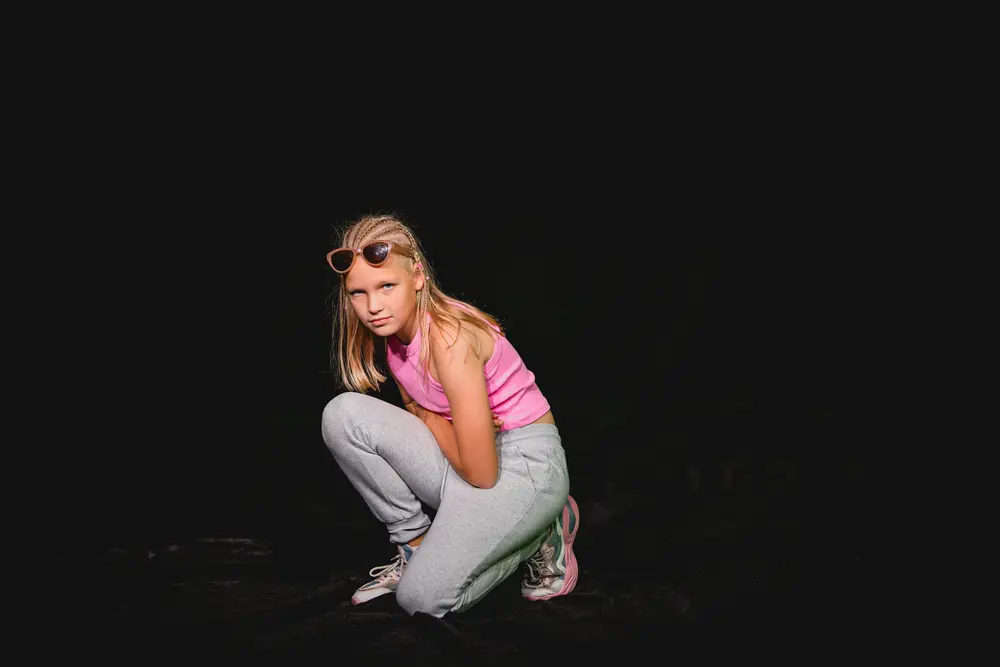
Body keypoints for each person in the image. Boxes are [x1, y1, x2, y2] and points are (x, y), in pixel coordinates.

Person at [320, 213, 579, 618]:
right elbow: (416, 409)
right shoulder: (395, 338)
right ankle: (414, 545)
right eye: (358, 292)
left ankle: (542, 532)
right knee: (342, 414)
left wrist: (431, 420)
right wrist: (434, 420)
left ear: (417, 276)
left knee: (420, 600)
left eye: (387, 286)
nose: (373, 306)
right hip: (468, 452)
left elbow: (482, 475)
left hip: (524, 465)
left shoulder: (447, 337)